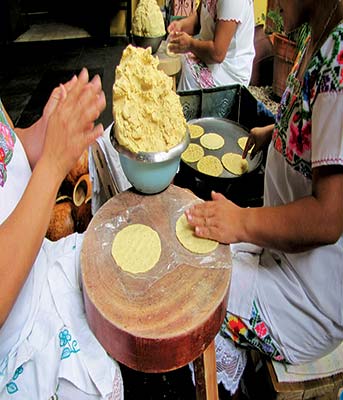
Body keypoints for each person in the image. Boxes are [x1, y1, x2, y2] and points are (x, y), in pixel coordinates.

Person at [185, 0, 343, 395]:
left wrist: (241, 222)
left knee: (194, 287)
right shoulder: (319, 36)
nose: (270, 5)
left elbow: (329, 217)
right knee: (198, 252)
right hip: (282, 255)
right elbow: (321, 134)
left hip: (309, 300)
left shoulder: (340, 60)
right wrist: (274, 133)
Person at [0, 68, 124, 399]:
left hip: (38, 267)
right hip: (17, 351)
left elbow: (6, 150)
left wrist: (40, 136)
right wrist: (53, 163)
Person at [167, 0, 255, 91]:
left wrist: (190, 44)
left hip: (228, 71)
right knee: (172, 59)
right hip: (208, 53)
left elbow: (217, 54)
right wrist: (181, 25)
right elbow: (199, 17)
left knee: (187, 71)